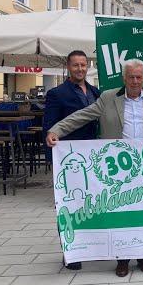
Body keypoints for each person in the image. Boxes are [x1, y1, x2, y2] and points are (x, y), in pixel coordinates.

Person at [47, 59, 143, 278]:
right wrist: (57, 130)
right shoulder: (109, 97)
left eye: (139, 77)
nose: (135, 81)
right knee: (120, 212)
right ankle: (121, 258)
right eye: (131, 77)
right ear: (124, 78)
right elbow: (83, 115)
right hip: (117, 167)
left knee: (142, 211)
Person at [43, 50, 100, 271]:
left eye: (83, 65)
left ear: (88, 67)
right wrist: (54, 161)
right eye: (76, 65)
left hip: (90, 159)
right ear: (68, 67)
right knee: (68, 207)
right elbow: (49, 127)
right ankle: (71, 253)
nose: (80, 69)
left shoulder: (95, 92)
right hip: (68, 161)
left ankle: (88, 247)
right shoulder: (57, 93)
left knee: (89, 205)